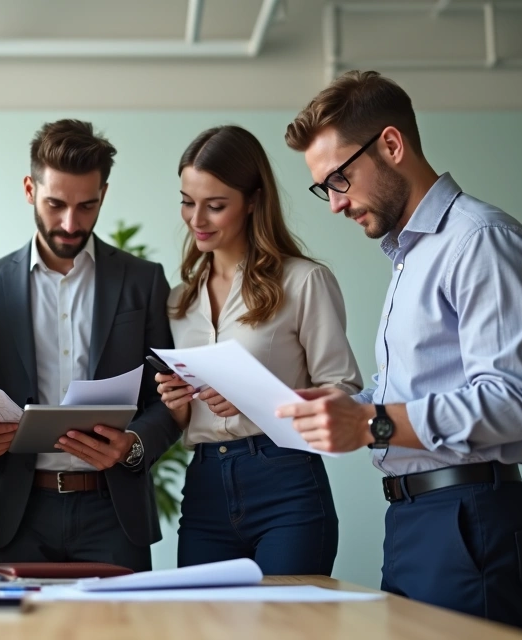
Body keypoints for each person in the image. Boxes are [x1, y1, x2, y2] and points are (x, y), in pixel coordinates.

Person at [278, 70, 522, 631]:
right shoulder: (410, 257)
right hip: (415, 519)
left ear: (391, 145)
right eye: (324, 187)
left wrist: (369, 424)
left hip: (467, 518)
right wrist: (327, 407)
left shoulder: (481, 243)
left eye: (339, 179)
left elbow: (514, 403)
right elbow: (411, 389)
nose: (334, 204)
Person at [0, 119, 180, 571]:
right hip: (20, 512)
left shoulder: (143, 281)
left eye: (87, 205)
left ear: (104, 195)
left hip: (114, 512)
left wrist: (133, 443)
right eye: (56, 203)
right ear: (28, 189)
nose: (70, 222)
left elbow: (169, 399)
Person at [154, 125, 363, 575]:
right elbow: (191, 419)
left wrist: (256, 399)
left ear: (252, 201)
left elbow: (344, 391)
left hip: (285, 482)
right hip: (205, 485)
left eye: (215, 206)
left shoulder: (304, 281)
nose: (197, 220)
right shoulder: (178, 300)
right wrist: (177, 407)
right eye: (188, 202)